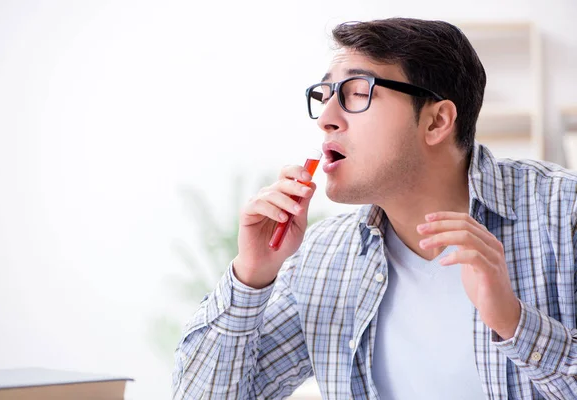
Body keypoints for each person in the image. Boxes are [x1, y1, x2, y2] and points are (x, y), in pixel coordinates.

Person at [171, 18, 577, 399]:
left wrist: (514, 324)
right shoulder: (323, 258)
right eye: (324, 95)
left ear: (437, 122)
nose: (326, 119)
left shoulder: (564, 213)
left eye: (357, 93)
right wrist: (251, 276)